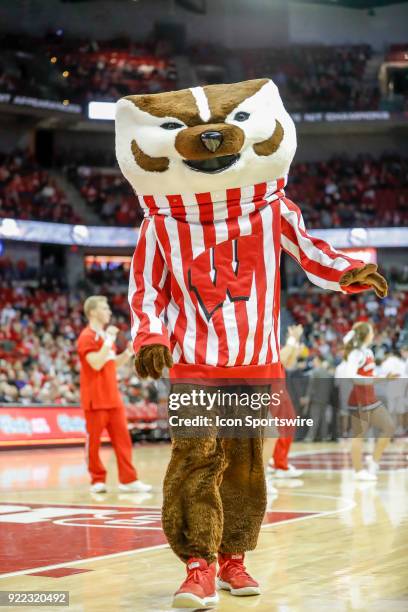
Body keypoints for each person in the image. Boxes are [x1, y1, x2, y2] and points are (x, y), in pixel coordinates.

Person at [77, 295, 151, 494]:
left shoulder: (103, 338)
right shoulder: (87, 337)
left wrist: (126, 354)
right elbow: (95, 363)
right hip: (95, 400)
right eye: (104, 308)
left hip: (113, 398)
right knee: (93, 443)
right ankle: (97, 480)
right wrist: (109, 339)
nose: (109, 312)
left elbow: (110, 363)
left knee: (123, 441)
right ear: (92, 312)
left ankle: (128, 480)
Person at [343, 322, 395, 481]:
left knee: (389, 427)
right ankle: (358, 471)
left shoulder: (368, 352)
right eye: (371, 331)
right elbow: (351, 377)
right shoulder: (355, 354)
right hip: (359, 399)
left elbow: (369, 376)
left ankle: (373, 461)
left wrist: (385, 377)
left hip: (370, 398)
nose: (373, 333)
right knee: (359, 436)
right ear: (365, 334)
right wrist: (375, 379)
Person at [266, 325, 304, 484]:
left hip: (280, 388)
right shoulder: (266, 346)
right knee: (270, 432)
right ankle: (275, 464)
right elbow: (281, 358)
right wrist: (293, 339)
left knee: (288, 423)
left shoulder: (276, 345)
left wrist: (295, 344)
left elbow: (288, 362)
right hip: (270, 389)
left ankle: (280, 463)